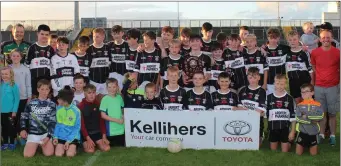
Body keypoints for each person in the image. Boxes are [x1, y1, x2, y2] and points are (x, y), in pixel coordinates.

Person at [311, 28, 340, 146]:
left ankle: (333, 136)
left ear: (331, 38)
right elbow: (313, 65)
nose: (326, 40)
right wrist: (318, 76)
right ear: (320, 39)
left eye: (328, 37)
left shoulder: (337, 52)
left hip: (333, 86)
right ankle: (321, 134)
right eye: (323, 38)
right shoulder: (315, 52)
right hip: (318, 87)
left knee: (332, 114)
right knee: (321, 113)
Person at [20, 79, 56, 158]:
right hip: (33, 133)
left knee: (49, 154)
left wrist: (48, 137)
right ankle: (35, 144)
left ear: (49, 90)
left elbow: (53, 122)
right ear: (38, 89)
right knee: (27, 155)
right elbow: (23, 117)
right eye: (42, 89)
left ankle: (42, 144)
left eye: (47, 89)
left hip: (45, 134)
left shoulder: (52, 104)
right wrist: (23, 129)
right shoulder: (31, 103)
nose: (44, 91)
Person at [237, 67, 267, 146]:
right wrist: (247, 111)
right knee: (242, 142)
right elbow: (239, 107)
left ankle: (261, 134)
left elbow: (260, 111)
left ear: (259, 78)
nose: (252, 80)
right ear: (247, 78)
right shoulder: (243, 90)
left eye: (255, 77)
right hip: (244, 120)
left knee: (257, 145)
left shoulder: (262, 91)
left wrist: (246, 111)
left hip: (257, 121)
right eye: (250, 78)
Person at [266, 74, 296, 152]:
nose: (279, 86)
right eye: (277, 83)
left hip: (284, 128)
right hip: (273, 128)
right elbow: (265, 113)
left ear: (286, 84)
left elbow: (293, 117)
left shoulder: (289, 98)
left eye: (282, 84)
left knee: (285, 151)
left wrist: (292, 131)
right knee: (273, 151)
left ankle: (289, 142)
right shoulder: (269, 97)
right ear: (274, 84)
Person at [25, 24, 55, 97]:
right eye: (42, 34)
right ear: (37, 34)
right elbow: (27, 65)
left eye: (46, 34)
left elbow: (53, 67)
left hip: (47, 84)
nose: (44, 36)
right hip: (34, 83)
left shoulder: (50, 49)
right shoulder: (32, 48)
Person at [78, 84, 110, 153]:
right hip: (86, 134)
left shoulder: (98, 104)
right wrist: (87, 138)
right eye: (89, 93)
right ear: (85, 93)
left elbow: (102, 122)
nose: (92, 95)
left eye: (93, 92)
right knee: (90, 151)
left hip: (97, 132)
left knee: (107, 148)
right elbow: (82, 126)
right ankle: (89, 144)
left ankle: (97, 143)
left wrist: (104, 136)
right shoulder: (80, 106)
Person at [295, 83, 324, 155]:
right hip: (302, 132)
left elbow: (320, 116)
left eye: (306, 91)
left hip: (313, 132)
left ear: (312, 92)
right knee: (298, 154)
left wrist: (306, 116)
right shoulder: (299, 105)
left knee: (313, 155)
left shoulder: (318, 105)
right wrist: (311, 120)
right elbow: (298, 118)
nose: (304, 93)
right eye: (302, 92)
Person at [286, 31, 313, 104]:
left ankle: (307, 115)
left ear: (298, 40)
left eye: (294, 39)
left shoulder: (304, 52)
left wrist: (312, 81)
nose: (292, 41)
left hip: (304, 80)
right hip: (293, 81)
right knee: (297, 102)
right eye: (290, 40)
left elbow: (310, 67)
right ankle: (300, 115)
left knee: (306, 101)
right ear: (288, 41)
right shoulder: (286, 52)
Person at [53, 86, 81, 157]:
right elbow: (58, 124)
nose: (58, 101)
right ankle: (62, 146)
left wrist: (68, 141)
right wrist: (55, 137)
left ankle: (74, 147)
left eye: (60, 100)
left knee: (69, 154)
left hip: (72, 137)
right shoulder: (59, 109)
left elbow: (77, 128)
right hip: (61, 136)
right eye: (58, 99)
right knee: (58, 155)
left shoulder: (76, 111)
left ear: (67, 101)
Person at [10, 49, 32, 136]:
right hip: (11, 97)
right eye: (13, 56)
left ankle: (22, 134)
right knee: (12, 116)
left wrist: (29, 96)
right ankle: (13, 135)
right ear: (10, 57)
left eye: (17, 56)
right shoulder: (8, 69)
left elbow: (28, 84)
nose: (15, 57)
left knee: (21, 116)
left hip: (23, 97)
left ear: (21, 57)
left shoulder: (26, 69)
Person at [264, 28, 290, 95]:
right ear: (268, 38)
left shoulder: (284, 48)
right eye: (271, 38)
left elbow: (295, 47)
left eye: (275, 38)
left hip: (281, 82)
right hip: (269, 82)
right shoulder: (264, 51)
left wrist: (302, 47)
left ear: (278, 38)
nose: (273, 40)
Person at [100, 78, 125, 147]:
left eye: (114, 87)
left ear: (117, 87)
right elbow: (103, 115)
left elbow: (122, 109)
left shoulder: (119, 97)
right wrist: (117, 120)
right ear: (106, 88)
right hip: (111, 131)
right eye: (109, 87)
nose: (112, 89)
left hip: (121, 130)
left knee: (121, 150)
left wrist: (122, 116)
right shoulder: (105, 99)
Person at [87, 28, 111, 95]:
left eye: (97, 36)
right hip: (93, 80)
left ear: (103, 37)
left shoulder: (108, 48)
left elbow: (110, 62)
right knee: (93, 100)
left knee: (106, 100)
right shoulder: (89, 49)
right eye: (94, 36)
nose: (95, 38)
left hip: (105, 80)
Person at [1, 66, 20, 150]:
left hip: (11, 111)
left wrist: (14, 111)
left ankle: (12, 143)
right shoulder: (1, 85)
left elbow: (17, 99)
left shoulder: (14, 85)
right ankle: (5, 143)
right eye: (2, 74)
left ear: (11, 74)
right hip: (2, 111)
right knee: (4, 127)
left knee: (11, 127)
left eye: (6, 74)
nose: (4, 76)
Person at [108, 25, 129, 89]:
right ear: (112, 34)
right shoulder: (109, 45)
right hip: (112, 74)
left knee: (123, 93)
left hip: (124, 74)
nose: (116, 36)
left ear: (122, 33)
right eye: (114, 34)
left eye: (118, 33)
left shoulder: (127, 45)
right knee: (112, 93)